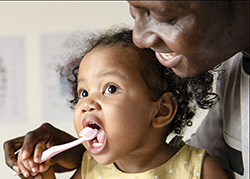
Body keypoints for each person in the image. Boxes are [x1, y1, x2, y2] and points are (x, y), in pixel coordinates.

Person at [4, 1, 249, 179]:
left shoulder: (199, 170)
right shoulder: (89, 170)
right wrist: (42, 173)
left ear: (161, 111)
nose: (87, 104)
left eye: (110, 88)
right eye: (83, 93)